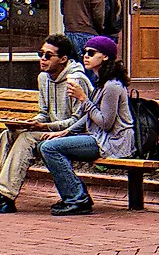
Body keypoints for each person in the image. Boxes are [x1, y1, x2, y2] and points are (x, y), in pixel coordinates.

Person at [0, 35, 91, 215]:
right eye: (41, 54)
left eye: (48, 55)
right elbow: (44, 113)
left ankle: (5, 197)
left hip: (74, 135)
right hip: (50, 131)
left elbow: (79, 121)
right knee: (8, 135)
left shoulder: (76, 80)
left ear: (63, 60)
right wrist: (33, 122)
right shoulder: (43, 78)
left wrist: (45, 127)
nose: (43, 59)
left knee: (27, 138)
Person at [36, 35, 134, 216]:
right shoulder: (102, 81)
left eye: (91, 53)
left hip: (113, 142)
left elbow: (105, 123)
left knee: (50, 148)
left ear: (104, 56)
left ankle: (76, 197)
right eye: (84, 53)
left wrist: (83, 98)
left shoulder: (112, 86)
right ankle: (74, 195)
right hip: (98, 138)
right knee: (45, 145)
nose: (86, 56)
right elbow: (88, 117)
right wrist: (65, 132)